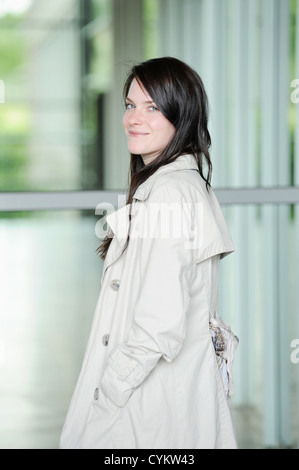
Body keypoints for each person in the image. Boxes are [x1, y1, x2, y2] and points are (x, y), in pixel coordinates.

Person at [59, 56, 238, 449]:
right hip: (163, 401)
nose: (133, 118)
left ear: (182, 115)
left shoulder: (171, 193)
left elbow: (159, 324)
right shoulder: (173, 186)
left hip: (147, 410)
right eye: (130, 105)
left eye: (152, 107)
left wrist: (108, 393)